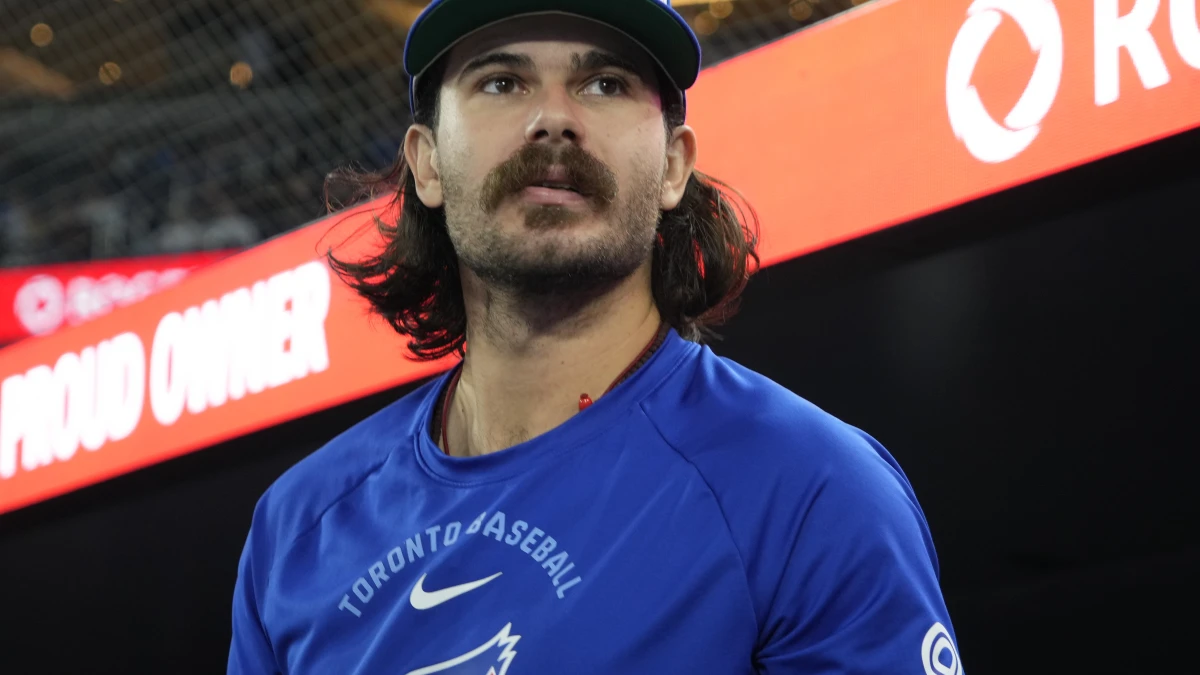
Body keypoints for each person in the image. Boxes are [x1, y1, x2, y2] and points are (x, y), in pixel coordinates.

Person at [228, 1, 963, 673]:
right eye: (501, 83)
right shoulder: (297, 528)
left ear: (673, 166)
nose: (553, 118)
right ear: (426, 163)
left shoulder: (809, 488)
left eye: (605, 84)